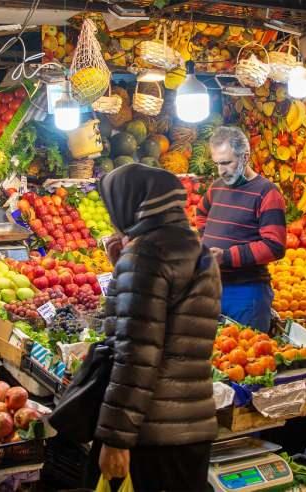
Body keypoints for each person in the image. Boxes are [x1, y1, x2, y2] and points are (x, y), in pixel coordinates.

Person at [94, 164, 221, 491]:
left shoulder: (144, 255)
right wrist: (121, 270)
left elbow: (135, 355)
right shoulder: (196, 247)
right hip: (192, 426)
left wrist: (115, 439)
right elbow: (174, 326)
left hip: (151, 432)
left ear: (129, 203)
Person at [196, 126, 286, 333]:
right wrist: (205, 238)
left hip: (246, 292)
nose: (221, 170)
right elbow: (201, 213)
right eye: (217, 163)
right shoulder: (216, 187)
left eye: (227, 163)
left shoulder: (267, 193)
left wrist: (226, 256)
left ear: (245, 157)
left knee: (248, 356)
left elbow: (274, 246)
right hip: (212, 287)